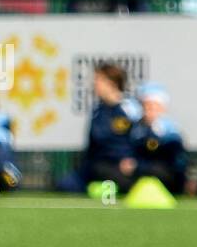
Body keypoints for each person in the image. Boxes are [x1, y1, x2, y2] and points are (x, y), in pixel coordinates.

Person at [56, 62, 142, 193]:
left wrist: (134, 161)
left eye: (98, 80)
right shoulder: (98, 110)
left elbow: (141, 138)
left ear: (112, 83)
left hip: (121, 166)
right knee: (65, 185)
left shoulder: (130, 109)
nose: (94, 84)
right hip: (96, 165)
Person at [130, 83, 187, 196]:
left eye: (153, 106)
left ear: (162, 108)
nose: (148, 110)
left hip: (165, 174)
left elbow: (176, 160)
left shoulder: (170, 130)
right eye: (145, 106)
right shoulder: (136, 129)